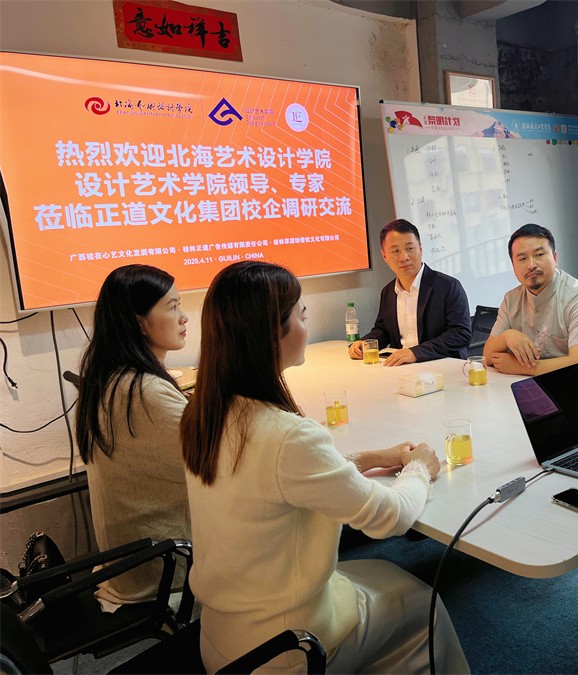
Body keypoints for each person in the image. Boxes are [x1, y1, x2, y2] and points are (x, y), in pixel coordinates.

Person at [181, 261, 468, 674]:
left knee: (377, 572)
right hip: (288, 648)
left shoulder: (205, 415)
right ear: (272, 333)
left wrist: (371, 458)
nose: (307, 323)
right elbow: (389, 517)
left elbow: (279, 481)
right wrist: (419, 468)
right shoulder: (287, 436)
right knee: (425, 604)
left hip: (223, 637)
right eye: (301, 314)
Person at [74, 264, 190, 609]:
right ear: (139, 322)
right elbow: (222, 459)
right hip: (165, 569)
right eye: (172, 307)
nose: (184, 317)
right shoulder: (145, 392)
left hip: (130, 562)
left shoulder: (110, 376)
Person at [483, 223, 578, 378]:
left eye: (539, 255)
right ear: (513, 265)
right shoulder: (511, 299)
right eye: (522, 258)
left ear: (555, 258)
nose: (531, 265)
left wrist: (520, 366)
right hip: (533, 384)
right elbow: (487, 356)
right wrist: (507, 336)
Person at [348, 219, 471, 366]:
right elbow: (383, 330)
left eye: (410, 248)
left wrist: (416, 353)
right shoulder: (388, 292)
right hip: (402, 369)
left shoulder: (448, 286)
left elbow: (460, 334)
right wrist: (364, 343)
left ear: (420, 248)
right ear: (384, 256)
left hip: (442, 367)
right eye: (395, 251)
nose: (404, 257)